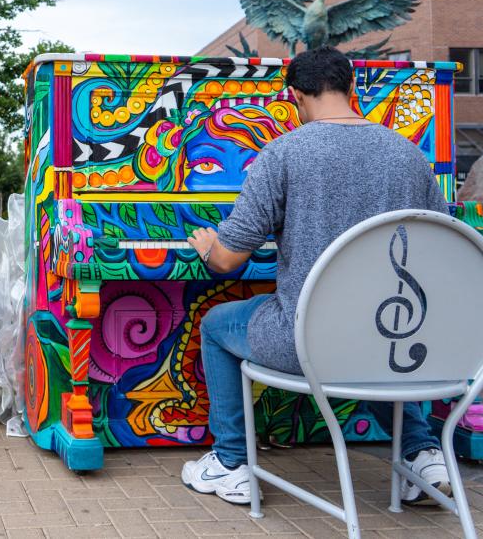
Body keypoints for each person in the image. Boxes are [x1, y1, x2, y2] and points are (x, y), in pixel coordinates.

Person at [181, 47, 452, 506]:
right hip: (396, 338)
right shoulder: (410, 156)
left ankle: (230, 462)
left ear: (295, 97)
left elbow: (228, 261)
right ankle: (422, 453)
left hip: (306, 342)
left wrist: (210, 247)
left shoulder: (284, 152)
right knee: (369, 339)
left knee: (214, 324)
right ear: (352, 90)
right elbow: (440, 247)